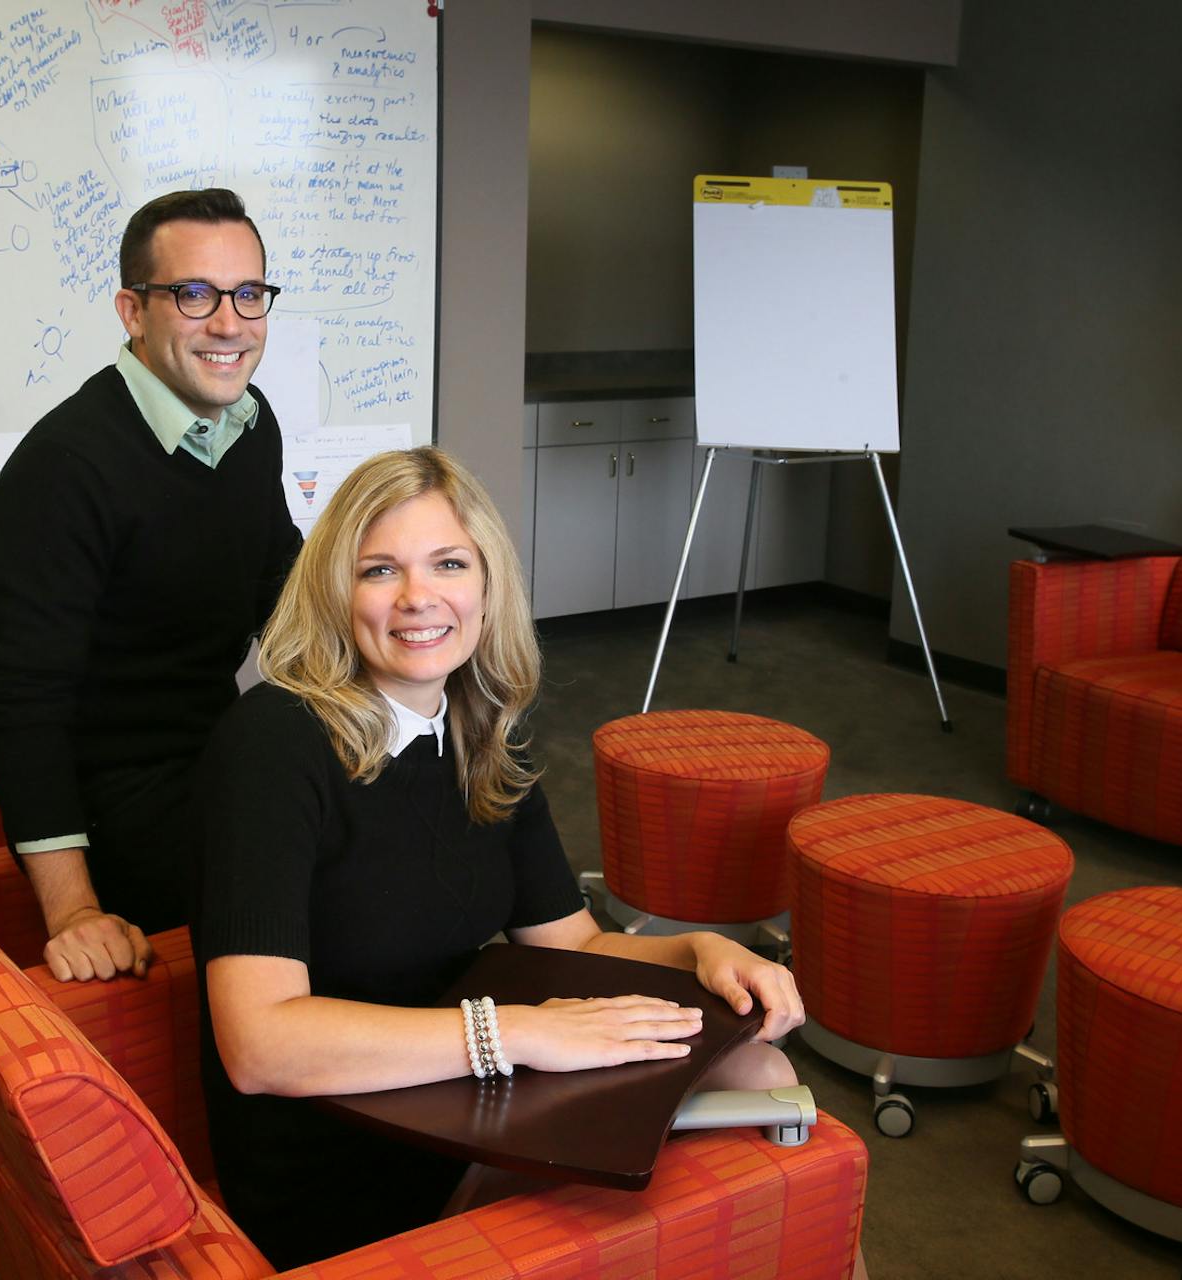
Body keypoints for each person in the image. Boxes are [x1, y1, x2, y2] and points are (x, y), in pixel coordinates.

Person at [192, 446, 807, 1269]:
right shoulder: (272, 743)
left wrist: (698, 950)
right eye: (379, 570)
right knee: (725, 1190)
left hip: (472, 1095)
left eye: (448, 563)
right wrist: (513, 1036)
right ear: (336, 593)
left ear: (486, 586)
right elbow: (260, 1047)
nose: (419, 598)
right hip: (345, 1149)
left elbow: (575, 947)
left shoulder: (479, 728)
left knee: (763, 1074)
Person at [0, 188, 303, 983]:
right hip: (115, 810)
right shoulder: (65, 469)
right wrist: (73, 911)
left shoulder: (248, 425)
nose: (229, 323)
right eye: (194, 294)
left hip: (214, 757)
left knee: (404, 809)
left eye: (249, 294)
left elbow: (286, 592)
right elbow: (25, 701)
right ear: (133, 310)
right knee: (347, 879)